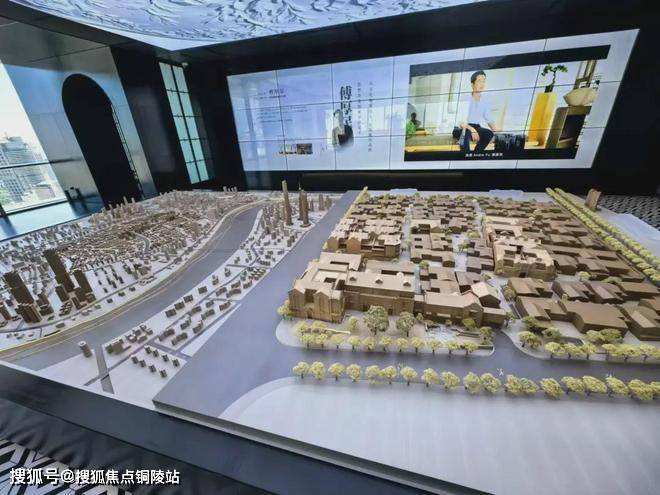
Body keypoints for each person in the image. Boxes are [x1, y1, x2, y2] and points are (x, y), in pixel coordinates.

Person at [457, 70, 501, 152]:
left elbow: (489, 119)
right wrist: (472, 130)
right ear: (472, 84)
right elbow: (460, 122)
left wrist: (496, 130)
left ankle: (476, 154)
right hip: (464, 127)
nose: (482, 84)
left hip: (476, 127)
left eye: (483, 81)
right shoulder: (465, 98)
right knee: (465, 134)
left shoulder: (484, 101)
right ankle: (465, 156)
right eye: (479, 81)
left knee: (489, 133)